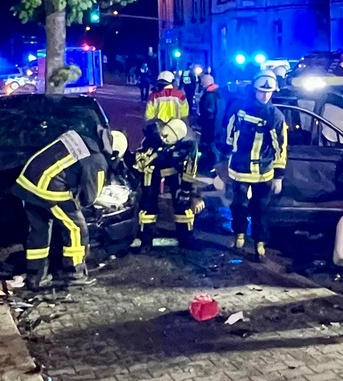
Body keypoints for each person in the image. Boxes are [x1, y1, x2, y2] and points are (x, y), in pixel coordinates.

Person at [12, 128, 125, 290]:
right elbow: (89, 198)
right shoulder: (97, 159)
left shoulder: (81, 137)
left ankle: (36, 277)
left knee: (40, 230)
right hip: (48, 190)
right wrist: (105, 202)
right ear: (113, 153)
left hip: (28, 181)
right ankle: (75, 274)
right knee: (77, 229)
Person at [224, 70, 288, 261]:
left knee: (261, 209)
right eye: (261, 91)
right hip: (239, 169)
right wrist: (222, 159)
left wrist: (279, 175)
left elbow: (281, 148)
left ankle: (260, 244)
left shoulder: (276, 117)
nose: (265, 95)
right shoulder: (239, 109)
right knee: (239, 206)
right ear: (254, 90)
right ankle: (239, 237)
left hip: (263, 172)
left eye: (268, 92)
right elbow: (229, 136)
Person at [133, 119, 204, 250]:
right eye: (163, 136)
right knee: (148, 204)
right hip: (152, 170)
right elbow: (141, 157)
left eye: (167, 138)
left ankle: (186, 238)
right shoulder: (153, 135)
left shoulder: (188, 144)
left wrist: (189, 192)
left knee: (182, 203)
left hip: (175, 171)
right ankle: (146, 239)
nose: (163, 139)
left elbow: (190, 170)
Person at [196, 74, 224, 174]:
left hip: (210, 127)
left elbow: (208, 112)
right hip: (219, 126)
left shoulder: (209, 95)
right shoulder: (219, 93)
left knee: (211, 147)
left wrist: (200, 121)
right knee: (215, 147)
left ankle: (211, 169)